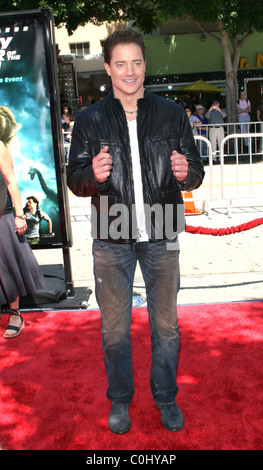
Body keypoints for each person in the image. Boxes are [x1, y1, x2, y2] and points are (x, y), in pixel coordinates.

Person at [67, 29, 204, 434]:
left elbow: (194, 170)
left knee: (166, 326)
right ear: (107, 67)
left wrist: (187, 174)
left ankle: (165, 397)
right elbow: (75, 179)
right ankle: (120, 401)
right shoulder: (90, 120)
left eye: (137, 62)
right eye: (121, 63)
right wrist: (90, 175)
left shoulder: (172, 114)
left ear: (146, 65)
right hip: (111, 236)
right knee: (114, 330)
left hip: (161, 232)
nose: (130, 71)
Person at [0, 106, 45, 339]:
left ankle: (15, 314)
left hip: (3, 217)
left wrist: (19, 214)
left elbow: (11, 183)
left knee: (6, 267)